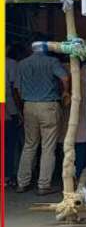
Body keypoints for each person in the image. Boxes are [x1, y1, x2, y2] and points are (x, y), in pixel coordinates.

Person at [15, 40, 70, 195]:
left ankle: (22, 183)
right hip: (48, 106)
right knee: (48, 147)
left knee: (29, 145)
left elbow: (17, 89)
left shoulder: (23, 64)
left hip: (29, 106)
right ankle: (43, 185)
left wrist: (23, 108)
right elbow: (65, 78)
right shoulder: (52, 61)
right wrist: (66, 92)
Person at [5, 44, 22, 188]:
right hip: (9, 110)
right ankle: (8, 176)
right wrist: (20, 111)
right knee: (10, 145)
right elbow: (15, 90)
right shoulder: (11, 64)